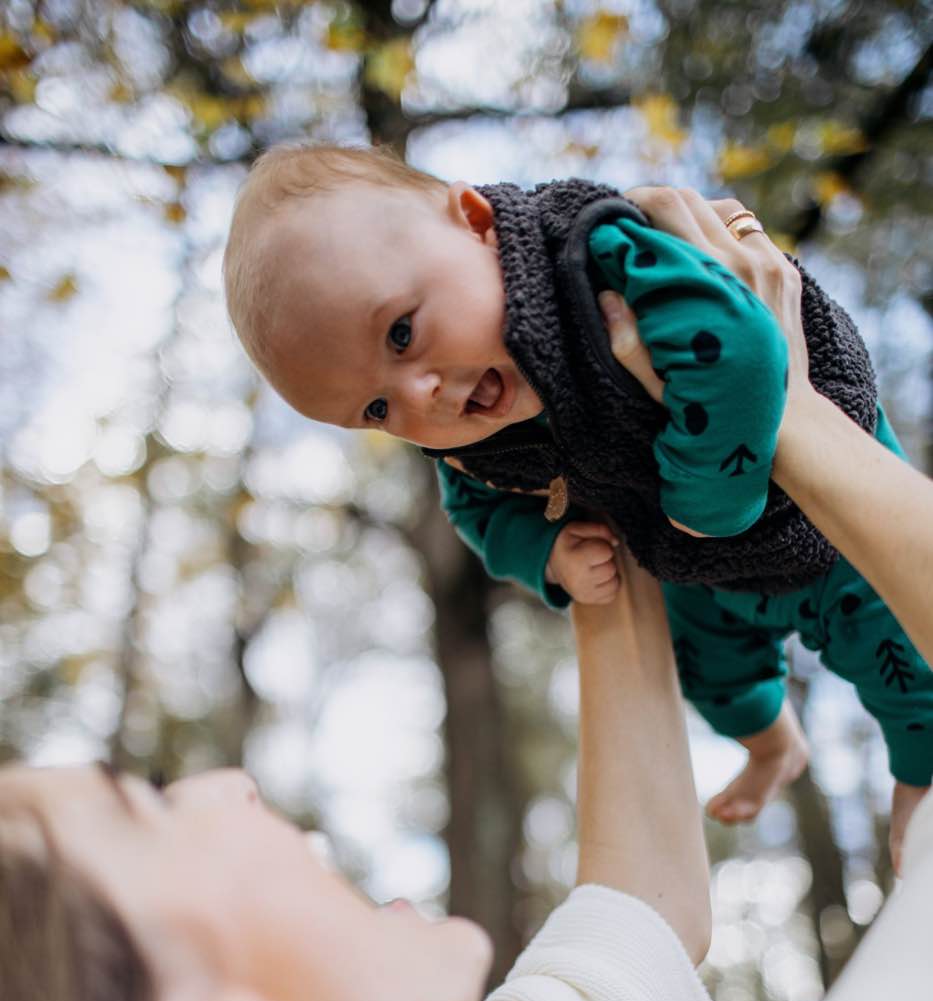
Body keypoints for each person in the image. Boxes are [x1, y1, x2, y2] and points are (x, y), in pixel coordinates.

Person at [0, 190, 930, 1001]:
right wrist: (792, 412)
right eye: (151, 808)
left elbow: (640, 911)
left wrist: (604, 480)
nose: (225, 780)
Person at [221, 143, 932, 869]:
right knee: (709, 672)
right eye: (375, 408)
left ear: (473, 222)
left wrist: (710, 501)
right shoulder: (475, 447)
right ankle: (769, 741)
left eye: (402, 332)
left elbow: (739, 349)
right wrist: (548, 557)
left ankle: (917, 778)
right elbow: (480, 517)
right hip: (699, 561)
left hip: (818, 520)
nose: (418, 395)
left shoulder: (594, 261)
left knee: (899, 661)